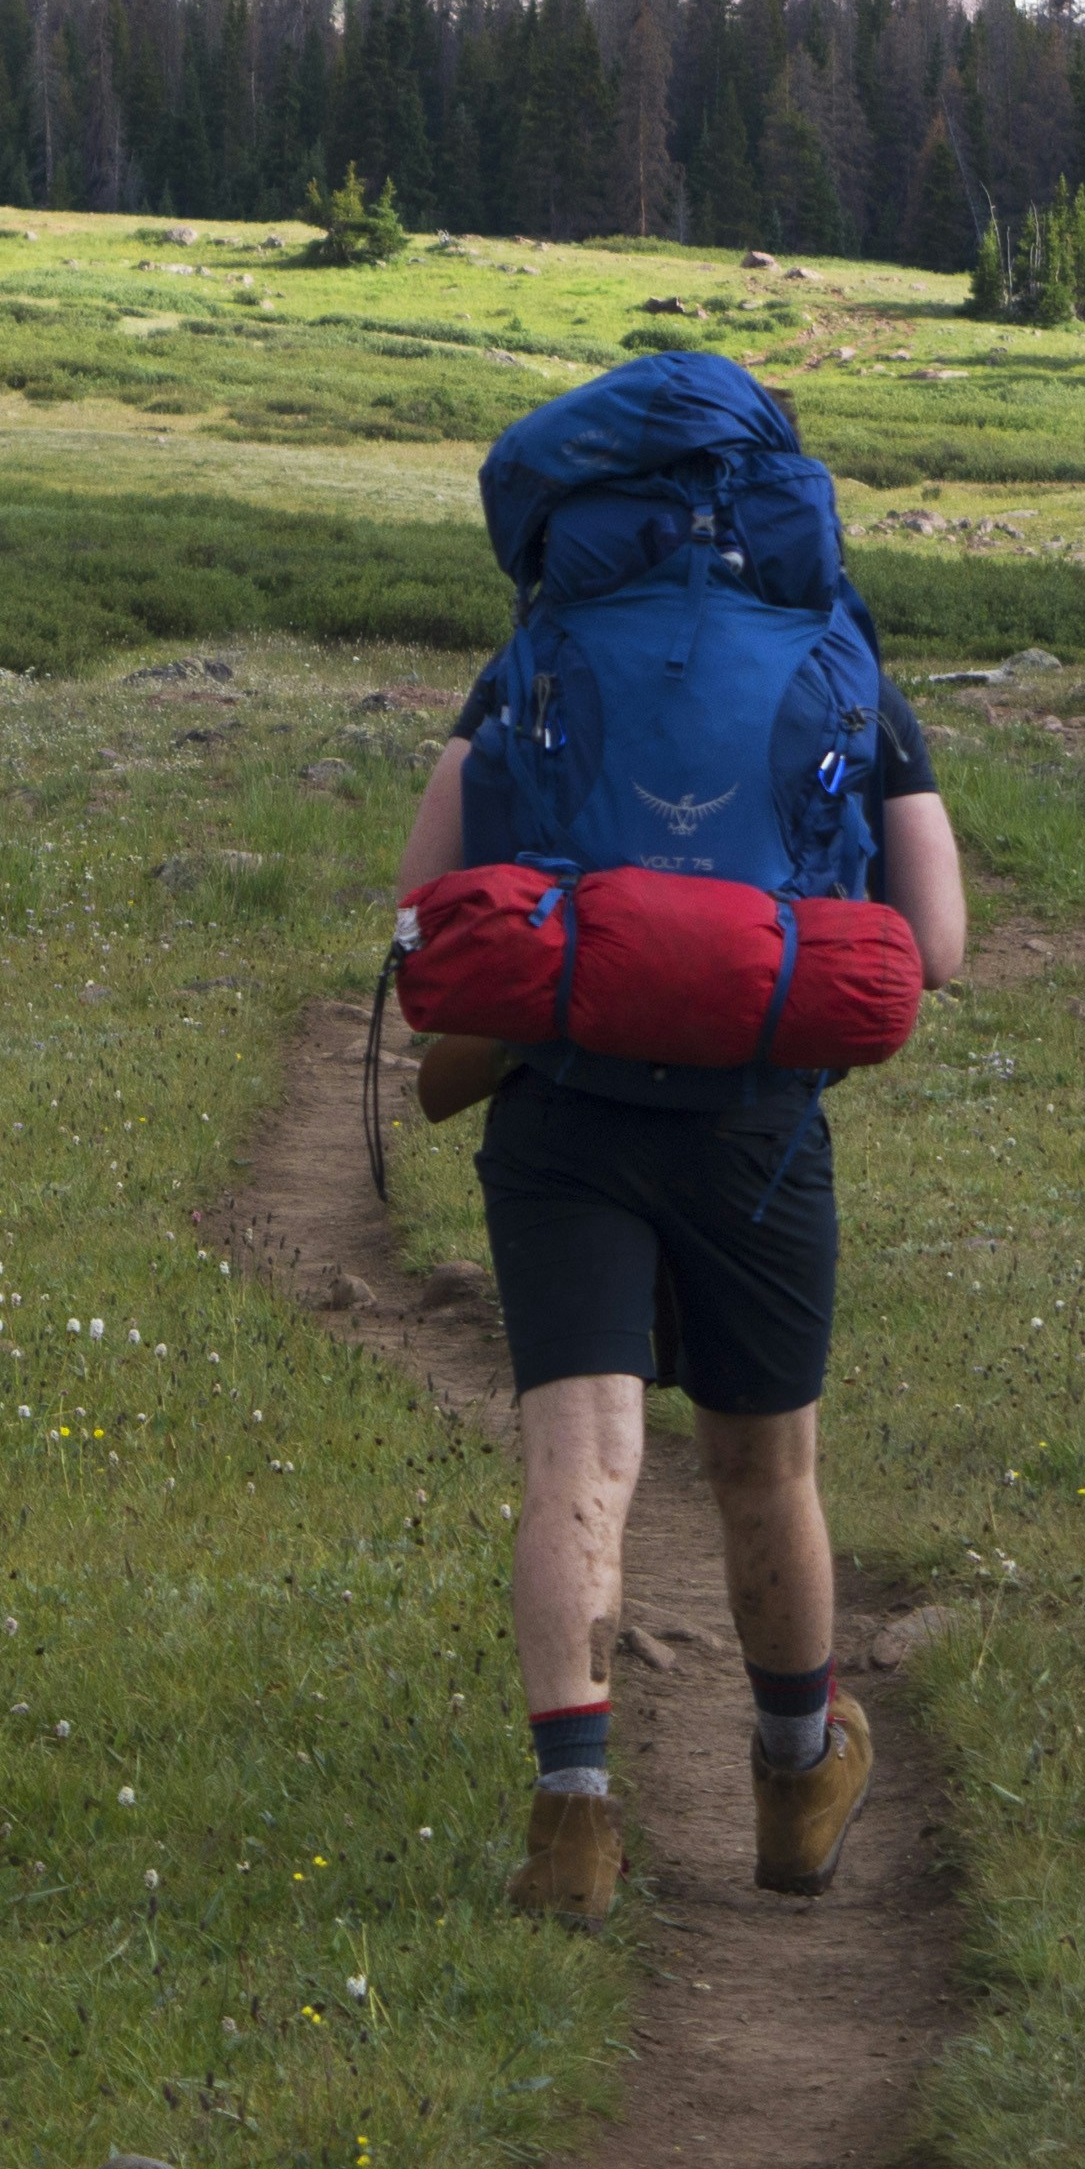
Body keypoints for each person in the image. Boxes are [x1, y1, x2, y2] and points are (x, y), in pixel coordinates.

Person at [399, 643, 966, 1928]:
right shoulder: (841, 670)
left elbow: (422, 895)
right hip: (753, 1130)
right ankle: (797, 1781)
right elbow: (937, 946)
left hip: (558, 1107)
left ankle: (574, 1824)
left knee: (579, 1467)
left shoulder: (533, 666)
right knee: (766, 1468)